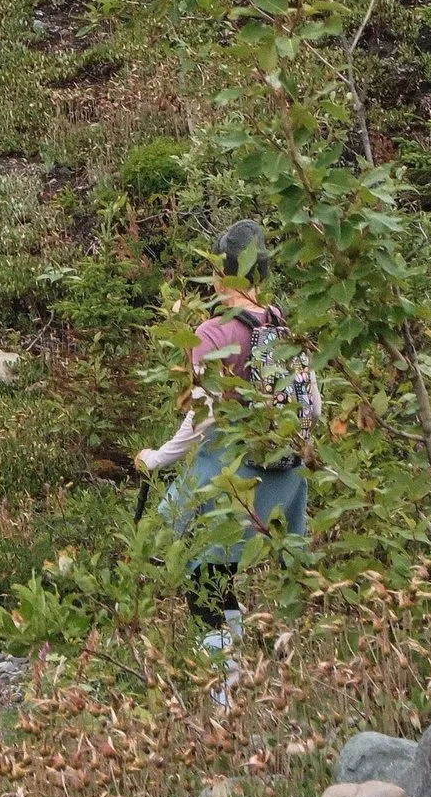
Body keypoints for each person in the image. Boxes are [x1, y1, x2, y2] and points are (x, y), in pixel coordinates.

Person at [136, 224, 321, 633]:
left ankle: (227, 685)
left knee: (204, 582)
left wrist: (158, 457)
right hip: (285, 480)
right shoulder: (283, 328)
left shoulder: (212, 332)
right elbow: (316, 405)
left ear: (220, 273)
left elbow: (203, 415)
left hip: (231, 480)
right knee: (234, 582)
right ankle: (259, 668)